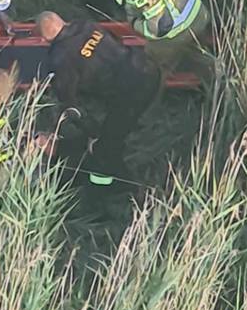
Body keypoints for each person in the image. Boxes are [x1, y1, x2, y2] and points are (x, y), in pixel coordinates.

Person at [35, 11, 163, 186]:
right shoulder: (86, 24)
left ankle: (123, 187)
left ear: (43, 39)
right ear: (64, 20)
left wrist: (93, 132)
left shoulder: (60, 59)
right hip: (147, 68)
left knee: (104, 150)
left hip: (132, 93)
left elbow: (71, 106)